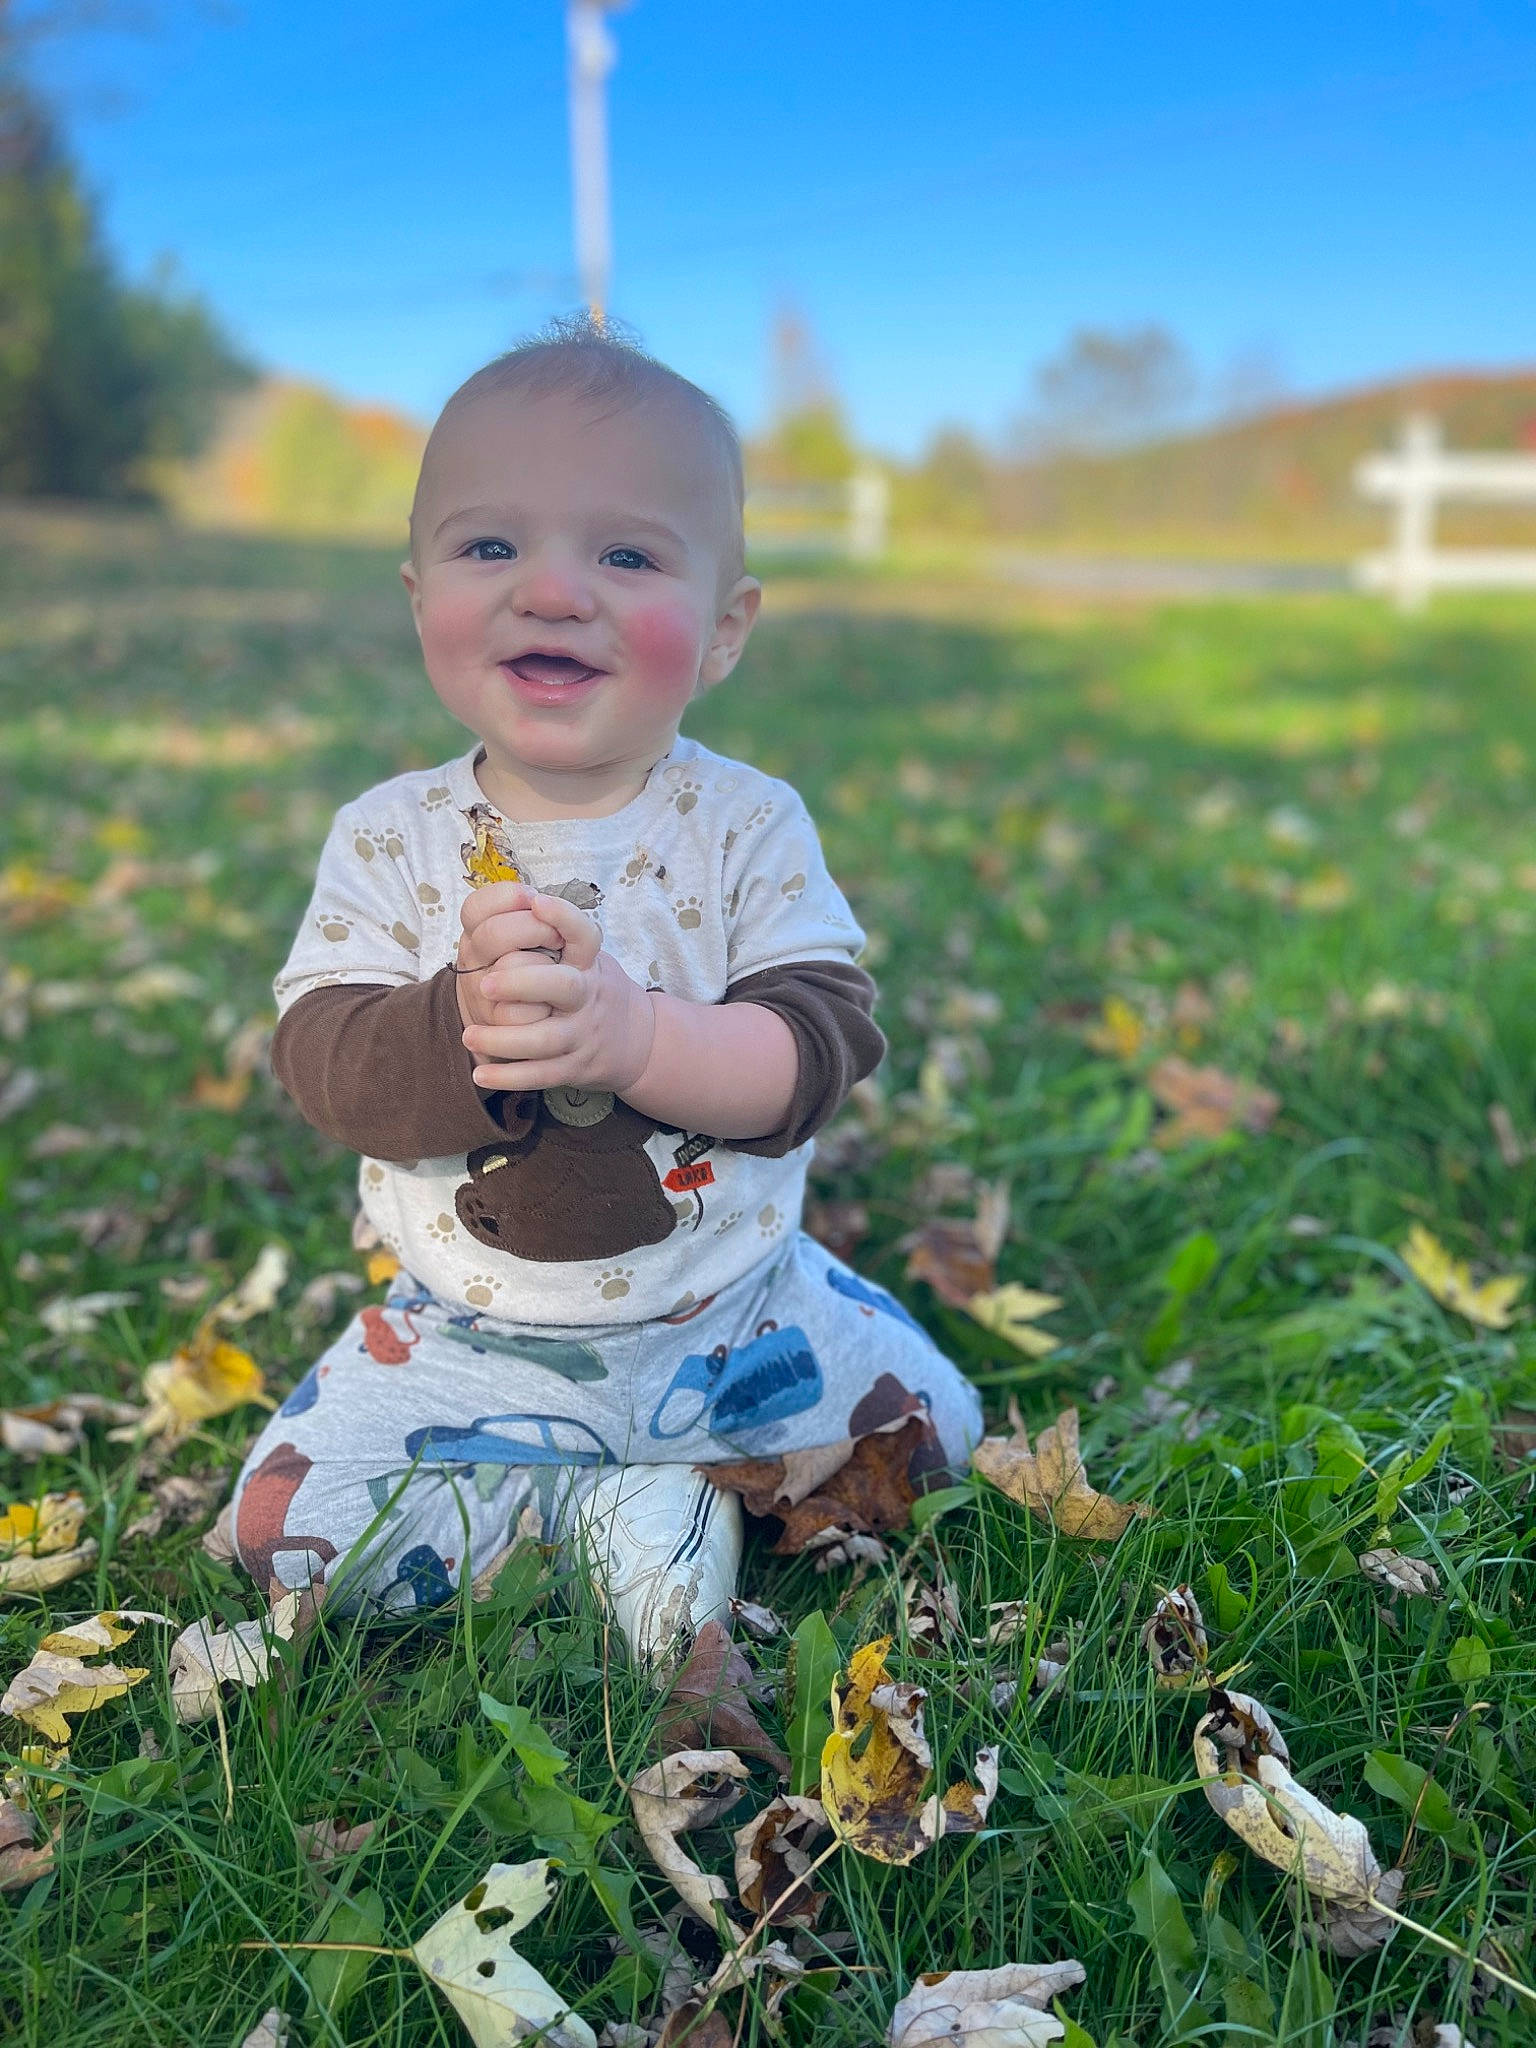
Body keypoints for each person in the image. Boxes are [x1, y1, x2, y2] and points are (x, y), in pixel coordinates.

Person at [229, 313, 983, 1671]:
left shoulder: (748, 825)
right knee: (284, 1542)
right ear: (420, 600)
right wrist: (451, 1027)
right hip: (469, 1333)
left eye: (625, 554)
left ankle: (635, 1485)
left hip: (733, 1307)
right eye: (490, 547)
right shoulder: (391, 838)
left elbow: (814, 1050)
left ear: (726, 628)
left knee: (940, 1437)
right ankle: (607, 1502)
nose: (552, 591)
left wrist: (639, 1035)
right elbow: (322, 1060)